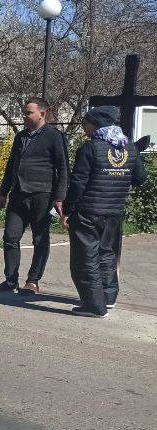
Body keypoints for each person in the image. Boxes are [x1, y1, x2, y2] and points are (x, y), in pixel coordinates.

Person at [64, 105, 148, 317]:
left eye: (86, 124)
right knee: (106, 253)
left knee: (86, 257)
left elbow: (78, 182)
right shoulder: (128, 147)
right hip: (114, 212)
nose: (84, 128)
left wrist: (68, 208)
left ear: (96, 124)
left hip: (88, 211)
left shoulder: (90, 147)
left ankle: (94, 306)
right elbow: (140, 178)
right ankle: (108, 298)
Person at [0, 97, 69, 295]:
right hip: (18, 195)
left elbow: (63, 169)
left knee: (40, 239)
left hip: (42, 195)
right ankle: (10, 280)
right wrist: (3, 192)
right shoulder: (21, 136)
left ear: (42, 114)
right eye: (24, 113)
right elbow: (11, 166)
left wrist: (59, 198)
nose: (24, 117)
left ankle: (32, 281)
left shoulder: (54, 136)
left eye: (28, 113)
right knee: (10, 236)